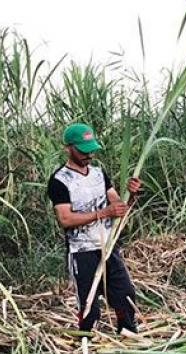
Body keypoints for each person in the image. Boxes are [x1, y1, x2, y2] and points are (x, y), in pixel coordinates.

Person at [47, 122, 141, 337]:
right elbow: (65, 219)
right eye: (83, 150)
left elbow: (119, 207)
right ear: (68, 148)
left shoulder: (99, 174)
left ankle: (128, 337)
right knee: (89, 307)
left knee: (125, 296)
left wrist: (132, 195)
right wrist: (103, 213)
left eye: (91, 150)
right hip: (82, 252)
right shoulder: (59, 181)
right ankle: (87, 344)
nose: (89, 155)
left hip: (108, 246)